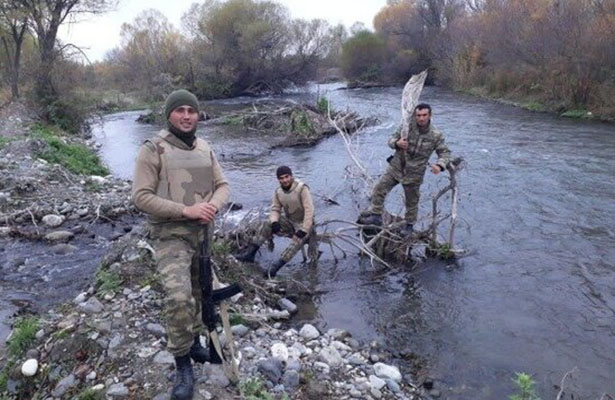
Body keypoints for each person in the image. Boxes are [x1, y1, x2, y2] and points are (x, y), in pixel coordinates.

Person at [131, 89, 230, 400]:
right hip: (171, 234)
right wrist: (186, 210)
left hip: (202, 232)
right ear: (169, 114)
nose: (187, 116)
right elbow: (141, 197)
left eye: (192, 110)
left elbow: (223, 185)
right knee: (178, 297)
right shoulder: (153, 150)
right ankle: (182, 361)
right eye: (180, 110)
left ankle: (198, 340)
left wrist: (213, 205)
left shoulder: (205, 148)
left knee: (201, 292)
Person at [361, 103, 451, 233]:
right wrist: (397, 143)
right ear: (415, 116)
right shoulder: (406, 127)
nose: (421, 118)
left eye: (424, 115)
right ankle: (376, 215)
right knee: (379, 189)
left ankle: (409, 226)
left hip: (414, 173)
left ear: (429, 115)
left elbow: (445, 152)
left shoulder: (436, 135)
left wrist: (440, 165)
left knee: (412, 202)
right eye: (418, 115)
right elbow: (390, 140)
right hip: (396, 167)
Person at [235, 166, 318, 278]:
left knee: (297, 241)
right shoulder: (278, 191)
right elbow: (275, 209)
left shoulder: (302, 189)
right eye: (281, 178)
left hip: (304, 223)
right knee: (266, 223)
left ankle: (275, 268)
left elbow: (310, 210)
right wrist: (274, 222)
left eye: (286, 177)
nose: (284, 180)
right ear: (278, 179)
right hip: (289, 221)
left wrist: (304, 229)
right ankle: (251, 253)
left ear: (291, 176)